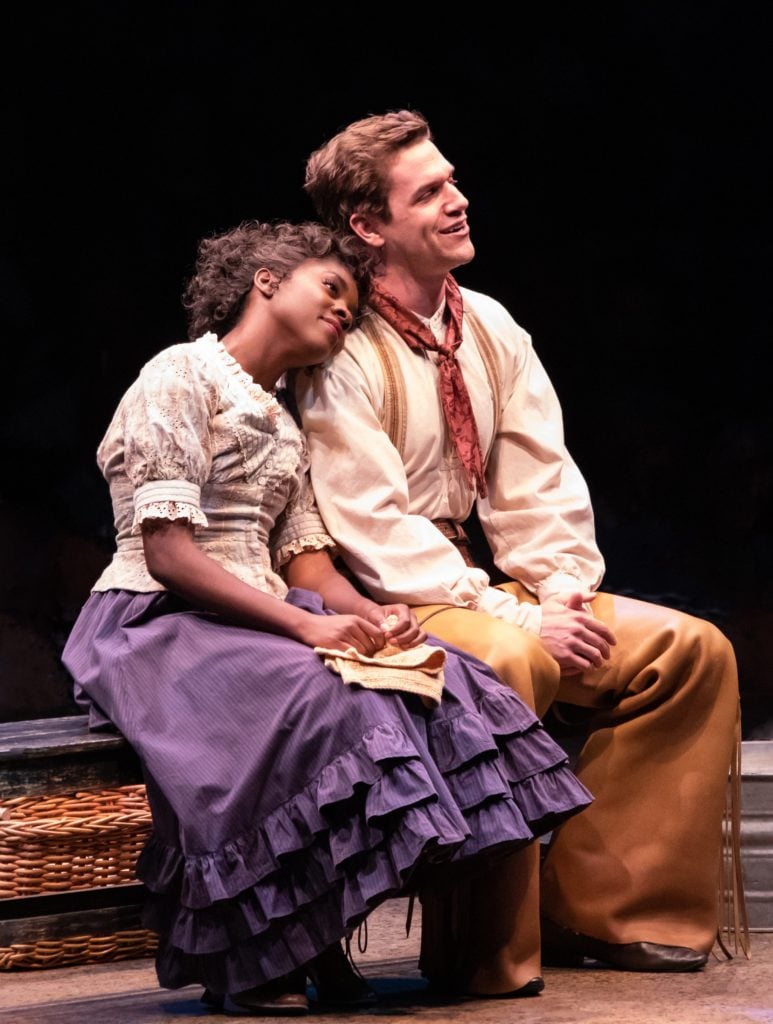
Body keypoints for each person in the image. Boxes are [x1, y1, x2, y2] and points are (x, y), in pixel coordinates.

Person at [61, 219, 593, 1016]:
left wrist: (375, 616)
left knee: (441, 681)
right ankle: (261, 950)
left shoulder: (279, 419)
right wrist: (307, 627)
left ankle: (310, 932)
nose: (344, 311)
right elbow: (168, 551)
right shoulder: (181, 375)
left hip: (254, 615)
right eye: (331, 289)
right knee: (320, 701)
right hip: (158, 620)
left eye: (352, 302)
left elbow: (307, 564)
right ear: (267, 280)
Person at [297, 109, 744, 984]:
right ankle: (483, 950)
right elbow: (371, 525)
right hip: (389, 599)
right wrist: (512, 615)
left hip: (494, 586)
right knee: (506, 664)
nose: (458, 202)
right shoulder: (341, 344)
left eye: (452, 181)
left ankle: (606, 909)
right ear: (367, 226)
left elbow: (537, 481)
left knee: (691, 652)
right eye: (427, 193)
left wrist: (560, 593)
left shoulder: (490, 326)